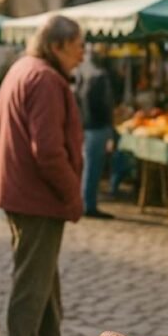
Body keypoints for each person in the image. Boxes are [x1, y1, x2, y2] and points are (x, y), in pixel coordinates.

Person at [0, 14, 84, 336]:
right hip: (36, 195)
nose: (82, 55)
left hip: (21, 191)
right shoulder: (45, 79)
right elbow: (48, 151)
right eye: (78, 46)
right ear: (57, 46)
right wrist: (72, 195)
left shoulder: (24, 69)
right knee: (32, 285)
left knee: (43, 281)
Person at [74, 51, 116, 220]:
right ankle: (88, 205)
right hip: (98, 128)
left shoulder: (83, 79)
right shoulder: (100, 79)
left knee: (89, 167)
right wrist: (110, 128)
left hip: (87, 127)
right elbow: (106, 105)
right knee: (93, 168)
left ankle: (86, 202)